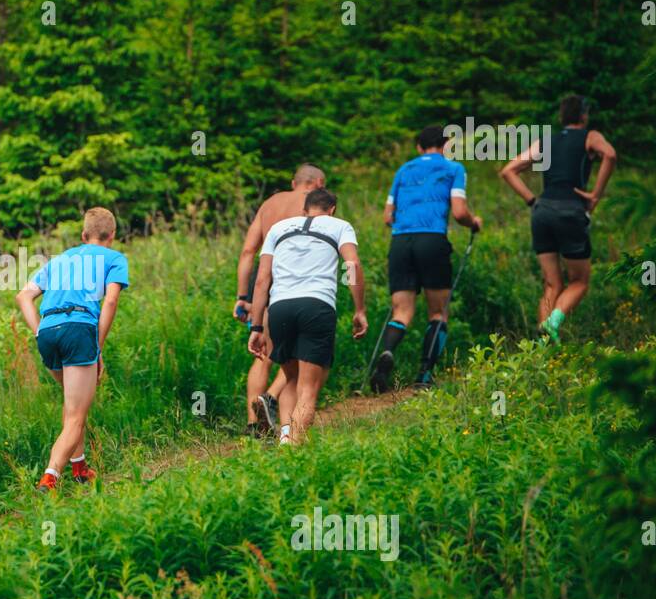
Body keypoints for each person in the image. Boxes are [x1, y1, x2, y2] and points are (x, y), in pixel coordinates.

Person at [16, 207, 129, 492]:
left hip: (49, 332)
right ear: (112, 235)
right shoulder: (115, 258)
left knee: (73, 405)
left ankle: (79, 469)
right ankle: (49, 478)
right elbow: (111, 302)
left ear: (83, 235)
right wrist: (97, 346)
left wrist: (39, 330)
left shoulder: (62, 259)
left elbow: (23, 296)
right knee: (77, 415)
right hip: (79, 330)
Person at [246, 189, 367, 445]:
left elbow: (261, 281)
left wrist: (257, 325)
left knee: (289, 377)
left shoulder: (279, 228)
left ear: (304, 209)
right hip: (316, 306)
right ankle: (296, 447)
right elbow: (352, 265)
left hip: (279, 308)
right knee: (308, 388)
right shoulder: (340, 226)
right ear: (332, 209)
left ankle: (285, 437)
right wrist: (359, 309)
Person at [369, 125, 483, 392]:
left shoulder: (403, 170)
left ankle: (386, 355)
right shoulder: (454, 169)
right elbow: (459, 212)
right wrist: (473, 222)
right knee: (438, 311)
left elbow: (387, 216)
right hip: (432, 240)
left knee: (402, 310)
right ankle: (424, 375)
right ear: (446, 144)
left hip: (401, 241)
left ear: (419, 147)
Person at [500, 95, 617, 343]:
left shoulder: (546, 140)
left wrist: (533, 201)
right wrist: (596, 194)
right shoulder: (590, 136)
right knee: (580, 281)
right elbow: (610, 155)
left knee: (552, 284)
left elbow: (508, 170)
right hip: (570, 211)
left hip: (541, 212)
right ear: (583, 116)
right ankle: (553, 321)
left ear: (561, 117)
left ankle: (541, 346)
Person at [234, 164, 326, 434]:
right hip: (293, 278)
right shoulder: (314, 204)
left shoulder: (270, 203)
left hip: (261, 278)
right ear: (319, 183)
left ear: (293, 181)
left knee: (263, 351)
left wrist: (243, 295)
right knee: (295, 354)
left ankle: (253, 425)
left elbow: (248, 251)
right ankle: (278, 409)